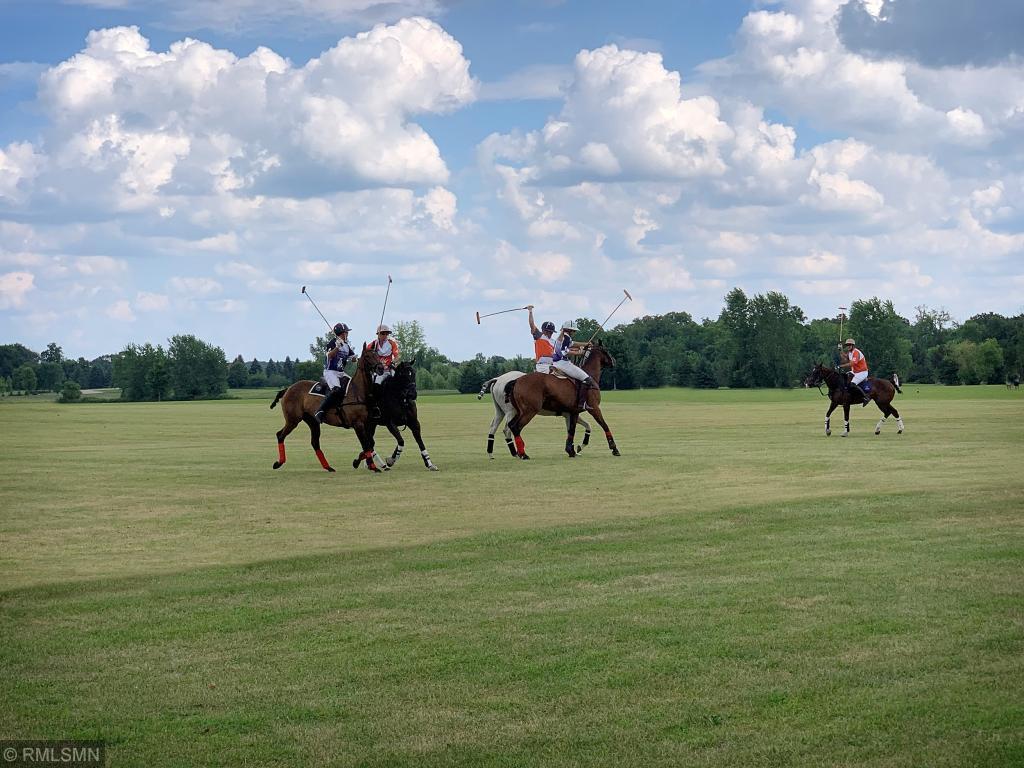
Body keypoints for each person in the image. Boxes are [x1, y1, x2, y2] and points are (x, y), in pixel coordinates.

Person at [527, 307, 595, 410]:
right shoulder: (539, 336)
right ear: (543, 330)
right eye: (547, 331)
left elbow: (570, 345)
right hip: (543, 367)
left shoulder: (554, 341)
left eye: (550, 332)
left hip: (552, 365)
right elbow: (532, 325)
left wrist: (585, 345)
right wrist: (530, 311)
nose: (549, 333)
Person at [315, 323, 357, 423]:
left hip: (341, 372)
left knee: (353, 386)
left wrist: (354, 358)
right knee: (337, 389)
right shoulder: (332, 343)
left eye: (347, 333)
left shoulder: (346, 346)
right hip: (331, 372)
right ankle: (320, 411)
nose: (347, 334)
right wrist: (337, 347)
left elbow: (353, 358)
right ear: (342, 333)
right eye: (346, 332)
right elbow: (329, 356)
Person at [839, 337, 871, 406]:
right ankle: (845, 398)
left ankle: (866, 397)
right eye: (847, 345)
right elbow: (844, 358)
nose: (848, 346)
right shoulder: (850, 353)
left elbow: (852, 363)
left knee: (852, 384)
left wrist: (841, 366)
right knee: (844, 379)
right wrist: (840, 350)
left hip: (862, 372)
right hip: (855, 371)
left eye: (849, 345)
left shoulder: (856, 352)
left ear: (853, 345)